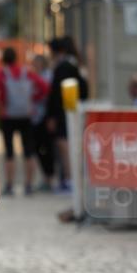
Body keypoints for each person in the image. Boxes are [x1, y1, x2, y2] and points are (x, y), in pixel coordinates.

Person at [0, 47, 49, 196]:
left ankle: (10, 185)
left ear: (3, 59)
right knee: (29, 150)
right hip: (26, 115)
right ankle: (28, 185)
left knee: (10, 152)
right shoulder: (27, 72)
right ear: (16, 58)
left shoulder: (2, 74)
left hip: (8, 116)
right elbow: (44, 87)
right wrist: (33, 100)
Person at [46, 36, 88, 192]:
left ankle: (69, 179)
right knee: (70, 144)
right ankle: (70, 178)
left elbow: (56, 93)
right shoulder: (75, 64)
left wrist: (52, 115)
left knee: (64, 145)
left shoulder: (62, 67)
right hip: (72, 109)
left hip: (63, 111)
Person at [30, 52, 56, 191]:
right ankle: (46, 177)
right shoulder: (36, 76)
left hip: (44, 116)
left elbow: (48, 95)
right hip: (35, 117)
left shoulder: (47, 76)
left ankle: (50, 178)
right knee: (38, 149)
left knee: (47, 149)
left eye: (35, 62)